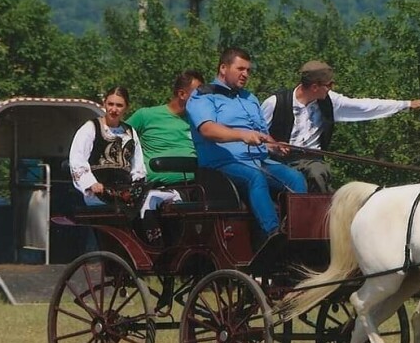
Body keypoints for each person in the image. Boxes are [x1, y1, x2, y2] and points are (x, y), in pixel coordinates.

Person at [186, 47, 306, 240]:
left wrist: (275, 146)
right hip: (221, 165)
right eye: (240, 69)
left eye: (248, 70)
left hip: (259, 161)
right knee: (254, 178)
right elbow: (208, 129)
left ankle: (298, 233)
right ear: (223, 68)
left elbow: (262, 137)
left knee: (295, 178)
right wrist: (242, 135)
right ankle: (273, 235)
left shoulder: (249, 98)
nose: (246, 74)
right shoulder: (204, 95)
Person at [260, 60, 420, 192]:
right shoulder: (275, 102)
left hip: (312, 159)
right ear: (314, 86)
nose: (331, 88)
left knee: (318, 171)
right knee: (314, 173)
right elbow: (256, 136)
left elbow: (365, 106)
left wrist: (407, 104)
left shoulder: (329, 101)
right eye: (329, 85)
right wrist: (273, 146)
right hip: (280, 161)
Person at [69, 86, 181, 219]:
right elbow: (77, 159)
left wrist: (136, 188)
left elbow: (137, 165)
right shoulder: (91, 128)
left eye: (119, 105)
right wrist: (91, 183)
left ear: (126, 108)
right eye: (110, 104)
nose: (114, 109)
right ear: (104, 103)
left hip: (125, 193)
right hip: (99, 193)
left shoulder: (130, 132)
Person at [127, 70, 205, 185]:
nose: (203, 99)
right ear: (182, 94)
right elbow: (117, 137)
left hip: (195, 186)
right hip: (155, 187)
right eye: (198, 94)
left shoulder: (200, 122)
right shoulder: (145, 115)